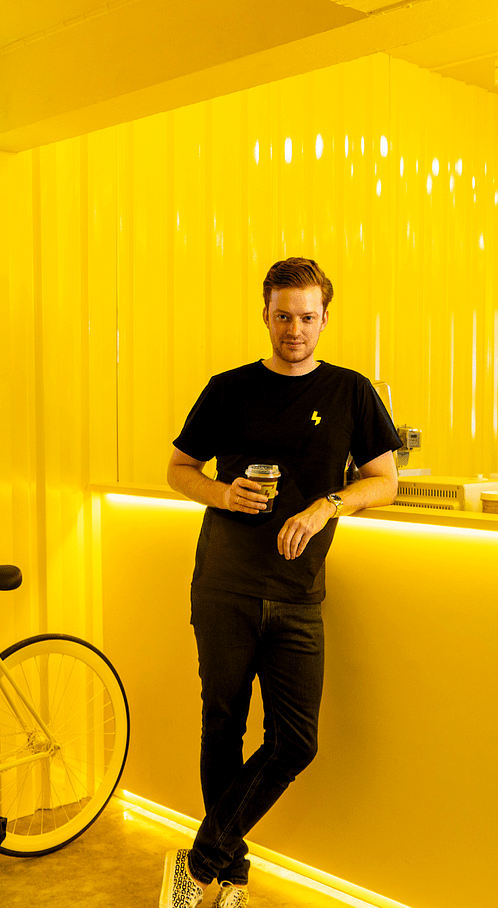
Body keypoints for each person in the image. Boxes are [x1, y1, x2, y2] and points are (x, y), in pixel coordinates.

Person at [159, 257, 402, 908]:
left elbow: (385, 480)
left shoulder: (351, 392)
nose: (295, 329)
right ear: (265, 314)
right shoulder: (228, 389)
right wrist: (222, 493)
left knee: (295, 742)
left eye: (307, 317)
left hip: (298, 593)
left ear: (325, 318)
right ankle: (229, 878)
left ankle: (199, 860)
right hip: (225, 585)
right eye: (283, 316)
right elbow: (179, 468)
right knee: (223, 725)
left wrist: (328, 505)